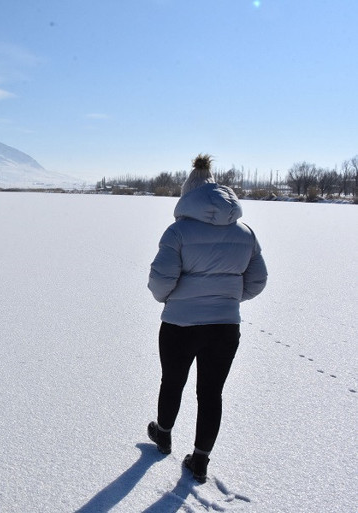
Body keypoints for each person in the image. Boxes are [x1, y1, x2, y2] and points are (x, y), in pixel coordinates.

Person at [146, 154, 267, 483]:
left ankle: (163, 435)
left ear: (187, 195)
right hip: (225, 328)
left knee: (173, 381)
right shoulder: (245, 233)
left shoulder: (177, 232)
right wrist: (227, 301)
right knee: (211, 393)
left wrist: (173, 300)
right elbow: (257, 280)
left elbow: (160, 281)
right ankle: (200, 461)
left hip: (179, 326)